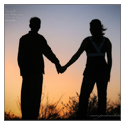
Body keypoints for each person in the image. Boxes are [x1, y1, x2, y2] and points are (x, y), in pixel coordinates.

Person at [59, 19, 112, 119]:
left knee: (84, 97)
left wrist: (65, 66)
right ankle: (101, 119)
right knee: (101, 98)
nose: (90, 30)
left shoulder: (88, 41)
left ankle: (82, 118)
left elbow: (76, 55)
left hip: (91, 72)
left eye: (91, 27)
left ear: (94, 29)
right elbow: (109, 60)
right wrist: (108, 73)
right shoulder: (106, 41)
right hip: (101, 72)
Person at [17, 17, 61, 120]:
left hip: (29, 74)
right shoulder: (36, 39)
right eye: (37, 24)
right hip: (34, 74)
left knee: (27, 100)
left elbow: (20, 58)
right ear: (36, 26)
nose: (37, 26)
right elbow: (48, 52)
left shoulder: (25, 39)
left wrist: (56, 62)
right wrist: (57, 63)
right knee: (33, 101)